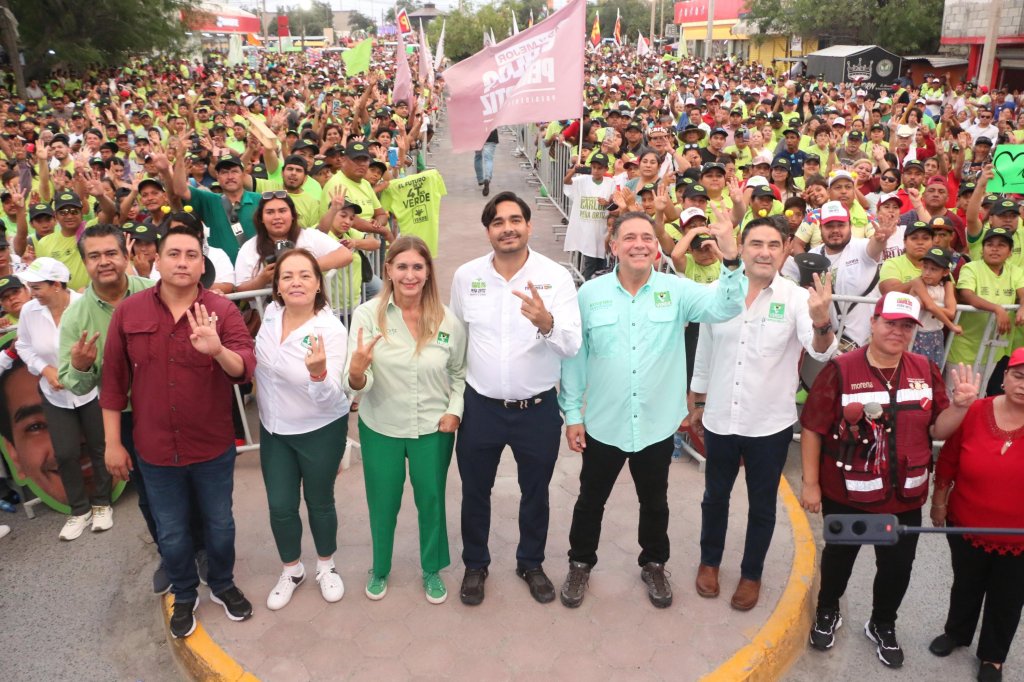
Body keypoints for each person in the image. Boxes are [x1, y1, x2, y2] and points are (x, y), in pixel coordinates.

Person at [558, 209, 746, 610]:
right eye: (629, 237)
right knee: (590, 500)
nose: (639, 244)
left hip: (656, 424)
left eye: (647, 237)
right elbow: (575, 357)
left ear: (657, 246)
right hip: (604, 423)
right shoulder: (590, 295)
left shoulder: (676, 290)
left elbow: (726, 307)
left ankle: (654, 563)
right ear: (613, 246)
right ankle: (580, 563)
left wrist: (732, 259)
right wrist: (572, 414)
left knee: (655, 501)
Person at [800, 292, 978, 669]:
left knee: (897, 567)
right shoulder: (841, 369)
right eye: (890, 323)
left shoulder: (925, 369)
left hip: (904, 497)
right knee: (839, 558)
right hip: (848, 493)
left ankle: (882, 623)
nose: (898, 331)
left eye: (907, 326)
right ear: (873, 322)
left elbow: (938, 428)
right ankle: (827, 611)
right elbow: (813, 427)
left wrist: (960, 407)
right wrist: (811, 484)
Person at [101, 225, 256, 639]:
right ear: (157, 261)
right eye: (174, 254)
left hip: (212, 448)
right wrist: (113, 442)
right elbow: (113, 383)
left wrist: (217, 350)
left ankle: (222, 583)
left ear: (203, 264)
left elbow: (245, 367)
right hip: (154, 449)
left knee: (220, 523)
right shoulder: (129, 312)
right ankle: (184, 593)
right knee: (170, 530)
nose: (182, 262)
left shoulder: (221, 312)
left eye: (191, 255)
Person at [689, 218, 838, 611]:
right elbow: (705, 349)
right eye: (756, 243)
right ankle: (709, 562)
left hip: (769, 424)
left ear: (785, 249)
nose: (764, 252)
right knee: (714, 497)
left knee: (762, 506)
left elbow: (821, 350)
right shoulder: (719, 292)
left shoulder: (797, 298)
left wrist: (822, 320)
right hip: (721, 417)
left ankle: (751, 574)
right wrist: (697, 400)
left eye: (773, 245)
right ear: (741, 247)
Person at [450, 192, 582, 606]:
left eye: (515, 220)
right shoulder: (466, 277)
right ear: (488, 231)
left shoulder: (555, 277)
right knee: (475, 491)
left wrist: (547, 323)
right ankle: (475, 564)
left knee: (535, 492)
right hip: (480, 408)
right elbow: (457, 341)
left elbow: (572, 345)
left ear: (529, 225)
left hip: (536, 410)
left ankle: (531, 563)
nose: (507, 228)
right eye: (498, 222)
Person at [344, 236, 466, 604]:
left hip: (434, 428)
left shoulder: (447, 319)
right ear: (388, 270)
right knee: (383, 502)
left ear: (428, 272)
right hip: (381, 426)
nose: (409, 275)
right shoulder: (368, 316)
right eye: (402, 267)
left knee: (431, 499)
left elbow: (459, 373)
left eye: (417, 267)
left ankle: (432, 568)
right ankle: (380, 567)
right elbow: (354, 381)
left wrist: (454, 410)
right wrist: (357, 372)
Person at [255, 248, 349, 610]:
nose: (296, 282)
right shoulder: (270, 314)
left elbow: (332, 397)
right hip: (274, 429)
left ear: (318, 284)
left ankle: (327, 566)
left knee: (319, 501)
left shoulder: (331, 331)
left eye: (305, 275)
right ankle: (292, 570)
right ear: (277, 286)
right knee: (280, 505)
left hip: (320, 429)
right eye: (288, 276)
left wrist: (318, 374)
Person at [931, 346, 1024, 682]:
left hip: (1018, 538)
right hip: (966, 523)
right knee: (966, 582)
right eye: (1019, 376)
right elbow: (949, 458)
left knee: (1008, 597)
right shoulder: (976, 410)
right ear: (1005, 377)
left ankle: (993, 657)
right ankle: (956, 633)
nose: (1023, 385)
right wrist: (939, 500)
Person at [16, 257, 112, 541]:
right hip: (54, 395)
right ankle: (79, 510)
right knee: (66, 453)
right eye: (30, 287)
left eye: (37, 287)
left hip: (92, 390)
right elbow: (23, 346)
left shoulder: (85, 305)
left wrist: (81, 371)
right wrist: (45, 369)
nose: (32, 293)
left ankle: (102, 504)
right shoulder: (29, 312)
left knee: (99, 446)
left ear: (56, 284)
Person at [233, 193, 352, 293]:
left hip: (310, 309)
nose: (277, 217)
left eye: (282, 211)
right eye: (270, 212)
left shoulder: (309, 236)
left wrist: (305, 266)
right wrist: (262, 280)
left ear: (293, 215)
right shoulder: (249, 247)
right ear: (261, 219)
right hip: (267, 312)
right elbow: (240, 289)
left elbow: (345, 255)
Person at [563, 152, 615, 281]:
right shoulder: (582, 180)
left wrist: (607, 203)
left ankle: (594, 285)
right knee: (590, 263)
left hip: (602, 230)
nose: (596, 171)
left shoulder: (610, 183)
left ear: (606, 169)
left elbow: (613, 203)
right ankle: (586, 286)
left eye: (599, 168)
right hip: (586, 231)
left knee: (602, 264)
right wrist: (574, 170)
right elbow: (567, 182)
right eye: (594, 167)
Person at [474, 129, 499, 197]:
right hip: (491, 134)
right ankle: (487, 178)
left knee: (478, 157)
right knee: (489, 159)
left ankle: (480, 179)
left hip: (478, 134)